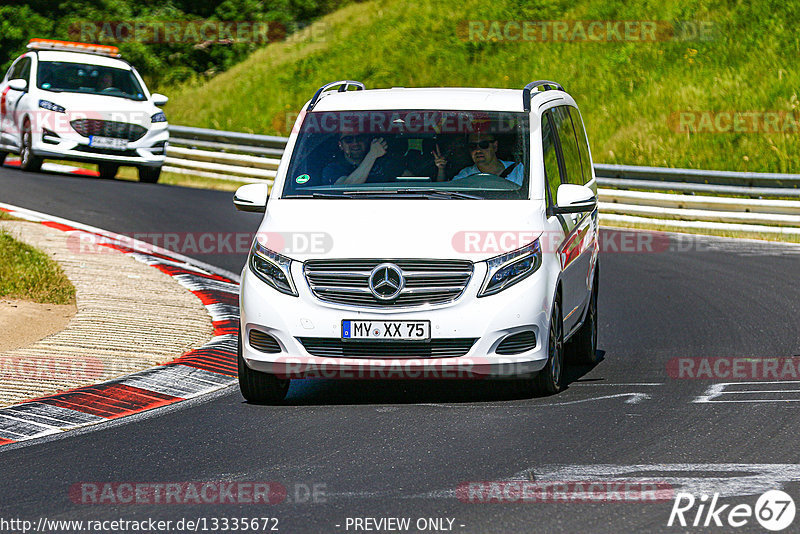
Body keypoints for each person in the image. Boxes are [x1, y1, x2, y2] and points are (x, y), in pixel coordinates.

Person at [434, 133, 524, 185]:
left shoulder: (518, 170)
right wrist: (441, 169)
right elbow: (445, 194)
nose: (478, 150)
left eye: (483, 145)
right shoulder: (466, 175)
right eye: (473, 146)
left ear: (495, 146)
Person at [322, 133, 390, 185]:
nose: (355, 143)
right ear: (341, 145)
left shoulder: (384, 163)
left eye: (360, 138)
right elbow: (344, 188)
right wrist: (372, 155)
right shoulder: (332, 169)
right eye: (348, 139)